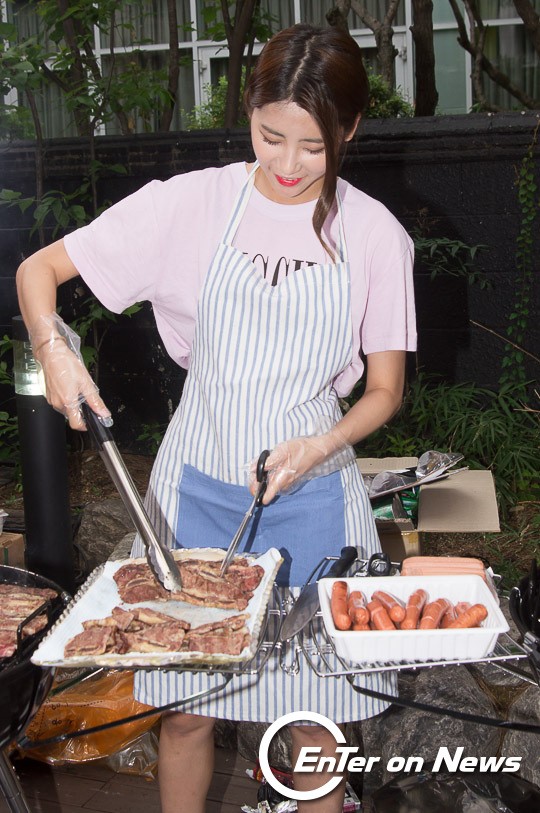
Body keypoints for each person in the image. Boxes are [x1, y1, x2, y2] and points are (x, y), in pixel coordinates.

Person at [16, 23, 416, 813]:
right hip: (195, 489)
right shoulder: (192, 205)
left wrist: (321, 443)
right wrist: (55, 349)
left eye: (315, 146)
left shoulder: (375, 234)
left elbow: (384, 391)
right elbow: (39, 270)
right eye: (272, 137)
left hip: (312, 496)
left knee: (313, 724)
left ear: (351, 131)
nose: (291, 165)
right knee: (187, 713)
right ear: (250, 114)